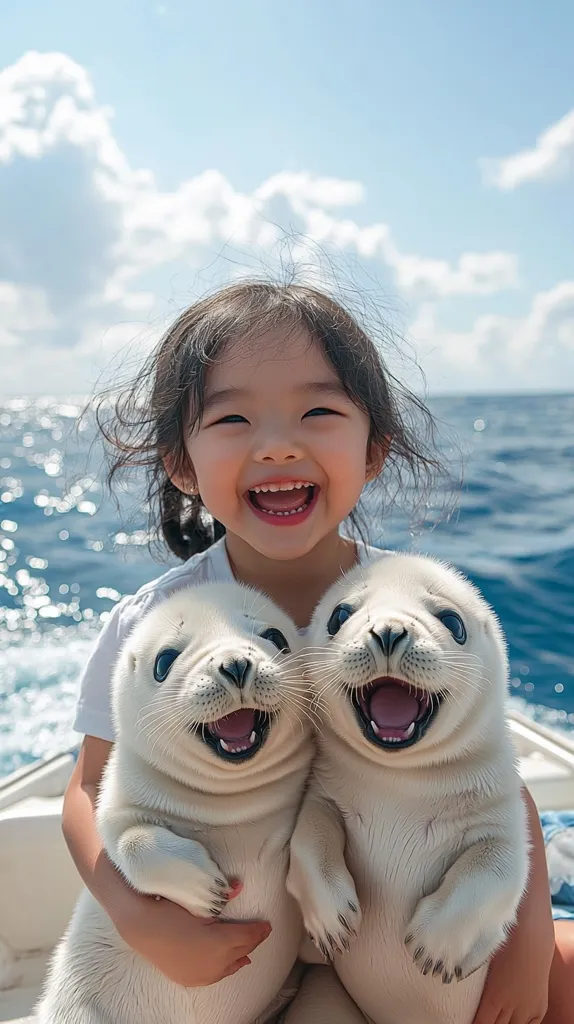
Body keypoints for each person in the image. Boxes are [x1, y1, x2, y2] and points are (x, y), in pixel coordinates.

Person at [63, 281, 572, 1023]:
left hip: (388, 939)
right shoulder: (156, 628)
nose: (277, 443)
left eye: (319, 411)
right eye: (232, 417)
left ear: (374, 450)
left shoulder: (408, 609)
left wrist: (526, 942)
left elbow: (488, 779)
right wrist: (140, 919)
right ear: (180, 462)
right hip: (241, 955)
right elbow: (88, 791)